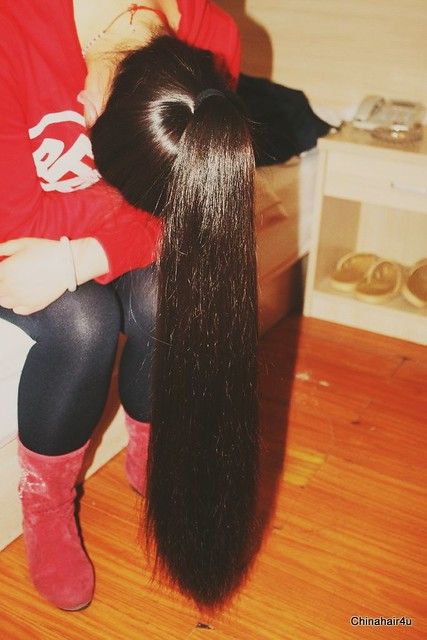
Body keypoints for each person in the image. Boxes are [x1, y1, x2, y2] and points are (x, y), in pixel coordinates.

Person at [0, 0, 258, 612]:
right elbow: (15, 219)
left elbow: (191, 210)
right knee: (83, 323)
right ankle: (47, 505)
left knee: (165, 295)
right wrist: (126, 219)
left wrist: (82, 256)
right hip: (13, 233)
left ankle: (153, 455)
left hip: (75, 238)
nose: (81, 113)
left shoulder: (213, 34)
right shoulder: (11, 29)